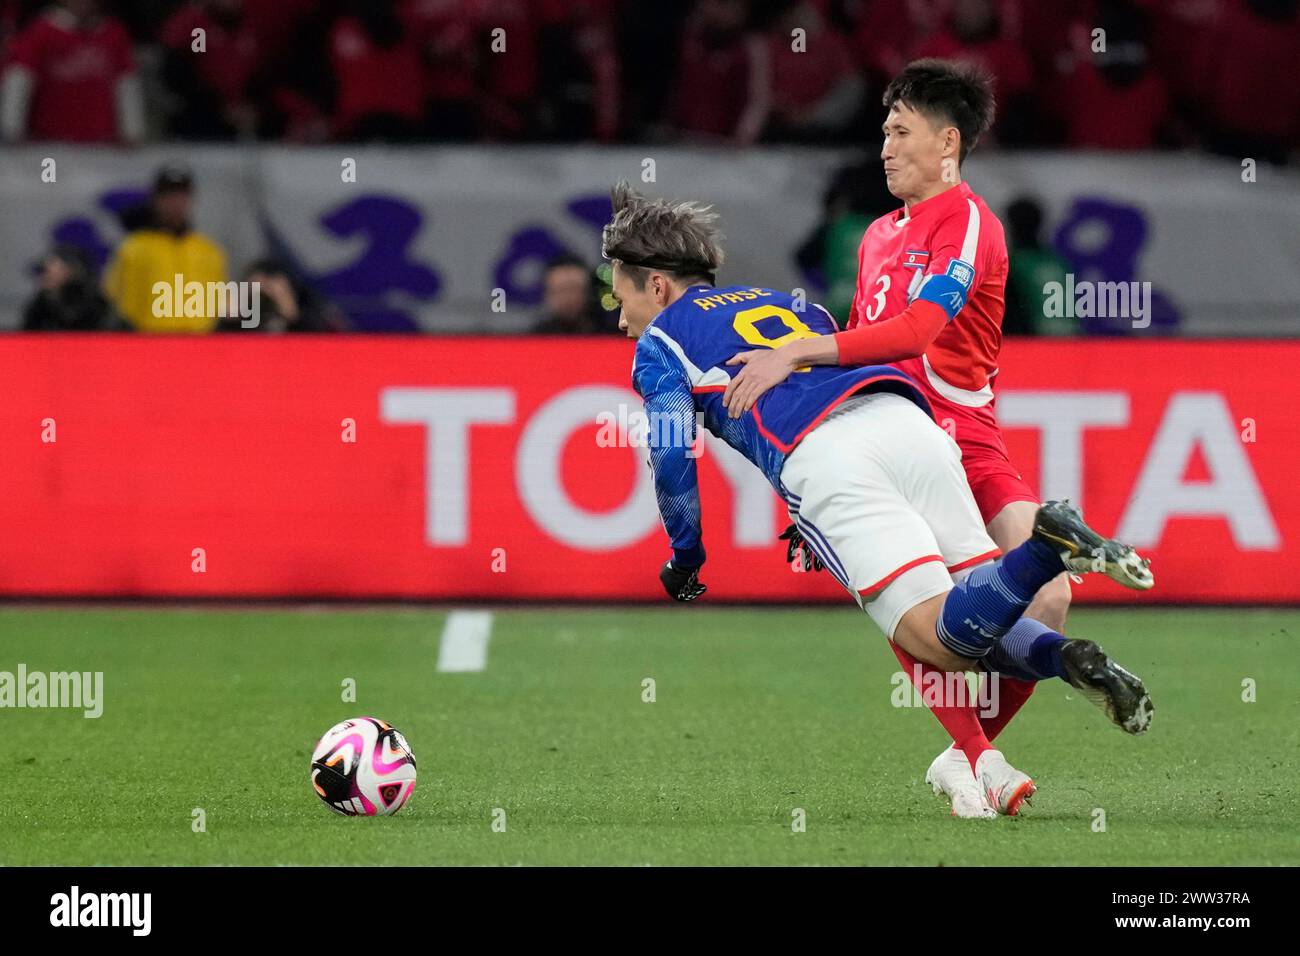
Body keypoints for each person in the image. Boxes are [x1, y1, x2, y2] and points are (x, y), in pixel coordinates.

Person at [603, 181, 1154, 818]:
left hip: (829, 458)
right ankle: (1059, 661)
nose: (621, 319)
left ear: (658, 285)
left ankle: (1045, 547)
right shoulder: (793, 306)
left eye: (621, 298)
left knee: (935, 639)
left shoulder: (661, 342)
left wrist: (686, 556)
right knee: (978, 616)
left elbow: (671, 454)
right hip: (911, 426)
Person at [718, 60, 1073, 800]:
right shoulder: (877, 234)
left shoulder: (970, 220)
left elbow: (916, 330)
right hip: (897, 433)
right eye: (883, 130)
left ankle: (967, 756)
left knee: (1050, 598)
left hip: (966, 437)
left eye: (900, 130)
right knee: (911, 595)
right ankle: (974, 756)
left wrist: (795, 352)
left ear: (948, 143)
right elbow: (863, 345)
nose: (883, 146)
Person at [102, 165, 232, 334]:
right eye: (168, 196)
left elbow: (221, 305)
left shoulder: (209, 250)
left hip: (200, 344)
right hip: (149, 343)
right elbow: (115, 301)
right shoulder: (134, 247)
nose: (175, 203)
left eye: (181, 196)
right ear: (156, 200)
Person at [23, 243, 121, 331]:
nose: (44, 276)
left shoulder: (95, 306)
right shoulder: (39, 306)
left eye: (50, 272)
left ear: (72, 272)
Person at [530, 255, 613, 334]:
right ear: (547, 294)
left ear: (588, 292)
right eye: (561, 291)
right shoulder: (534, 339)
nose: (567, 298)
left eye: (573, 289)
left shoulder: (611, 336)